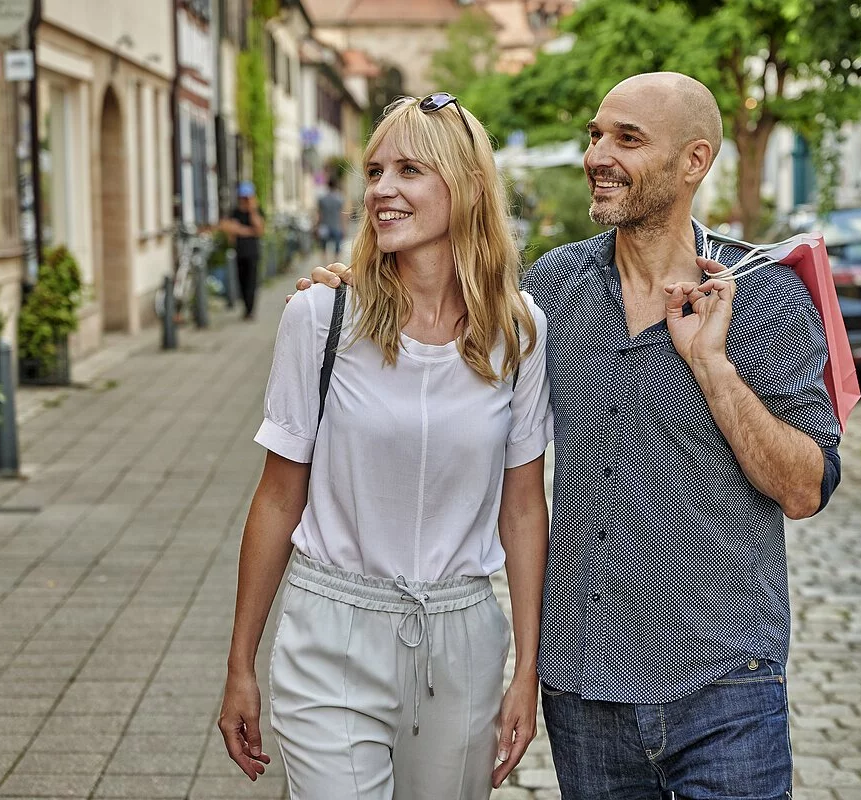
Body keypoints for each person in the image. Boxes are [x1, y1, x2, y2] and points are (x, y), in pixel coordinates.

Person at [298, 72, 842, 800]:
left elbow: (805, 488)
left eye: (627, 138)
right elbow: (444, 316)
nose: (596, 154)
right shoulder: (550, 294)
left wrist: (712, 366)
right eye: (594, 134)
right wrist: (351, 289)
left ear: (694, 161)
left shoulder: (767, 298)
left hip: (723, 683)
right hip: (587, 690)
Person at [218, 93, 552, 800]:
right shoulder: (320, 316)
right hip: (330, 632)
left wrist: (526, 669)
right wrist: (239, 663)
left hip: (462, 638)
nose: (381, 190)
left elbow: (523, 509)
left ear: (464, 188)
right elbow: (279, 496)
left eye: (409, 170)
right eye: (374, 171)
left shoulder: (519, 331)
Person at [219, 181, 266, 320]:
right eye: (243, 197)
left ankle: (250, 310)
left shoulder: (256, 211)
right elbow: (228, 228)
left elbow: (259, 229)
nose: (245, 200)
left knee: (251, 282)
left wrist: (252, 211)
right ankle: (245, 307)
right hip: (240, 252)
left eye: (247, 197)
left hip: (252, 253)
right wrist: (247, 231)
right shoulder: (235, 211)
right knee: (241, 281)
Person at [317, 178, 346, 260]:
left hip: (324, 225)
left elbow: (319, 214)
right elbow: (342, 214)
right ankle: (336, 264)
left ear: (327, 185)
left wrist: (317, 226)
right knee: (337, 247)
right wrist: (344, 227)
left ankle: (324, 265)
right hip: (336, 225)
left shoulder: (322, 199)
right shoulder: (339, 198)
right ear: (336, 185)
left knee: (323, 246)